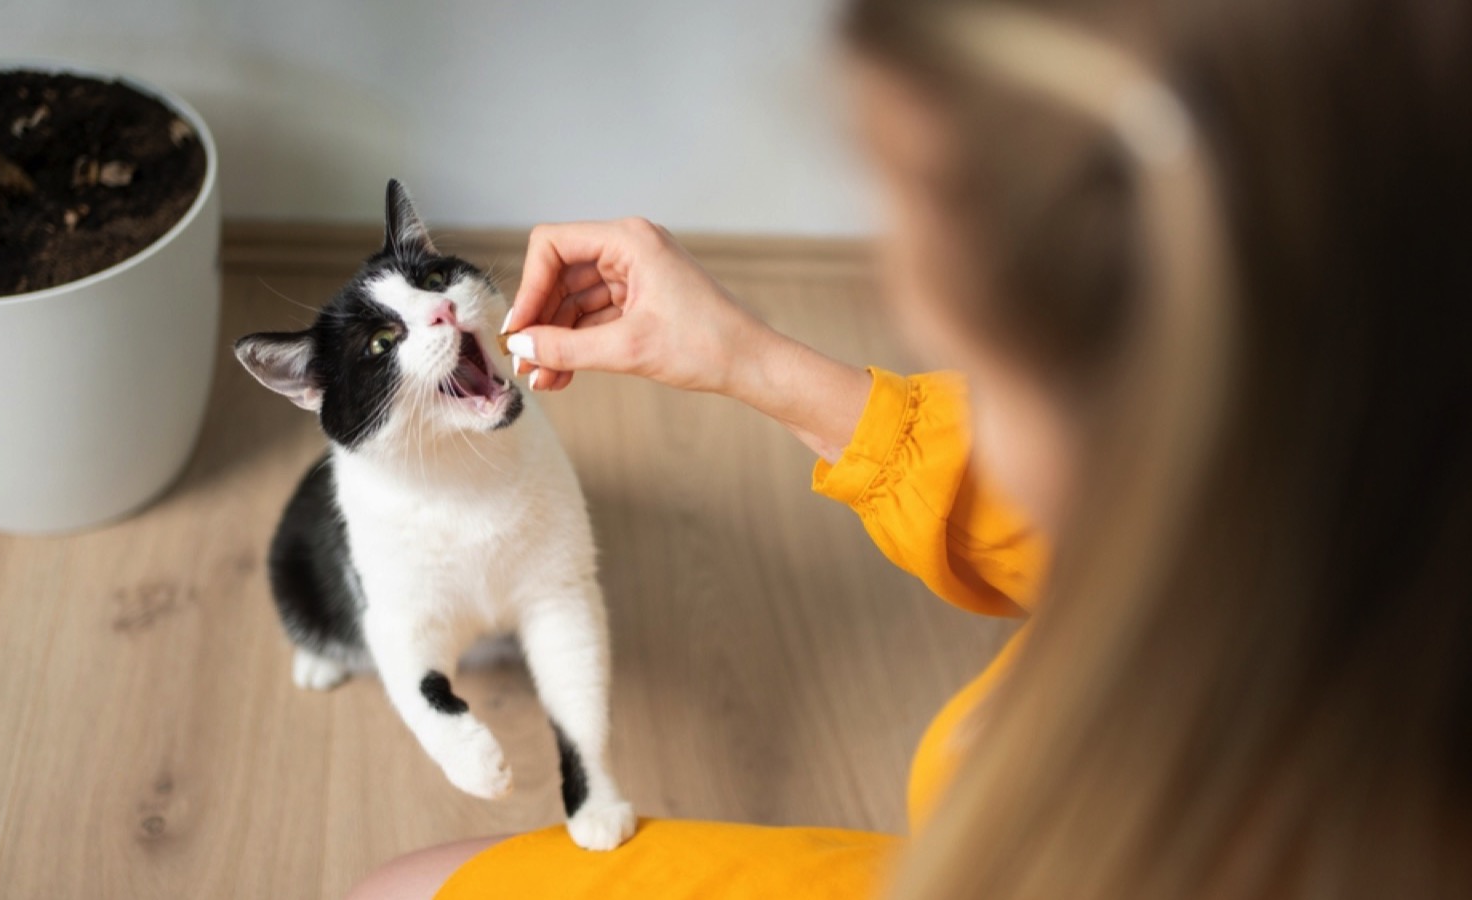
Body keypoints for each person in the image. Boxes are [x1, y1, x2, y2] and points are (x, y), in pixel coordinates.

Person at [352, 0, 1472, 896]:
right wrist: (749, 359)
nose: (965, 401)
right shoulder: (1338, 478)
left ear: (1155, 407)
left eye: (971, 355)